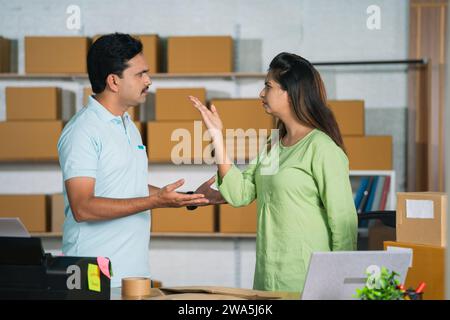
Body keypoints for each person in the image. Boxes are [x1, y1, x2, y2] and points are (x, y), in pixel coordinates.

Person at [189, 52, 358, 293]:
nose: (261, 93)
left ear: (291, 92)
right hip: (268, 277)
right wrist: (217, 135)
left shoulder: (321, 148)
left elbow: (343, 224)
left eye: (268, 86)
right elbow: (241, 193)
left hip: (308, 282)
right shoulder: (273, 144)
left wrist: (339, 287)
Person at [57, 33, 214, 287]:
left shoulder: (127, 124)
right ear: (114, 81)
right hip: (91, 276)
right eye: (140, 74)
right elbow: (82, 207)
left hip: (131, 274)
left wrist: (184, 197)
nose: (148, 81)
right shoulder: (82, 130)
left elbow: (128, 187)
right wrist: (155, 200)